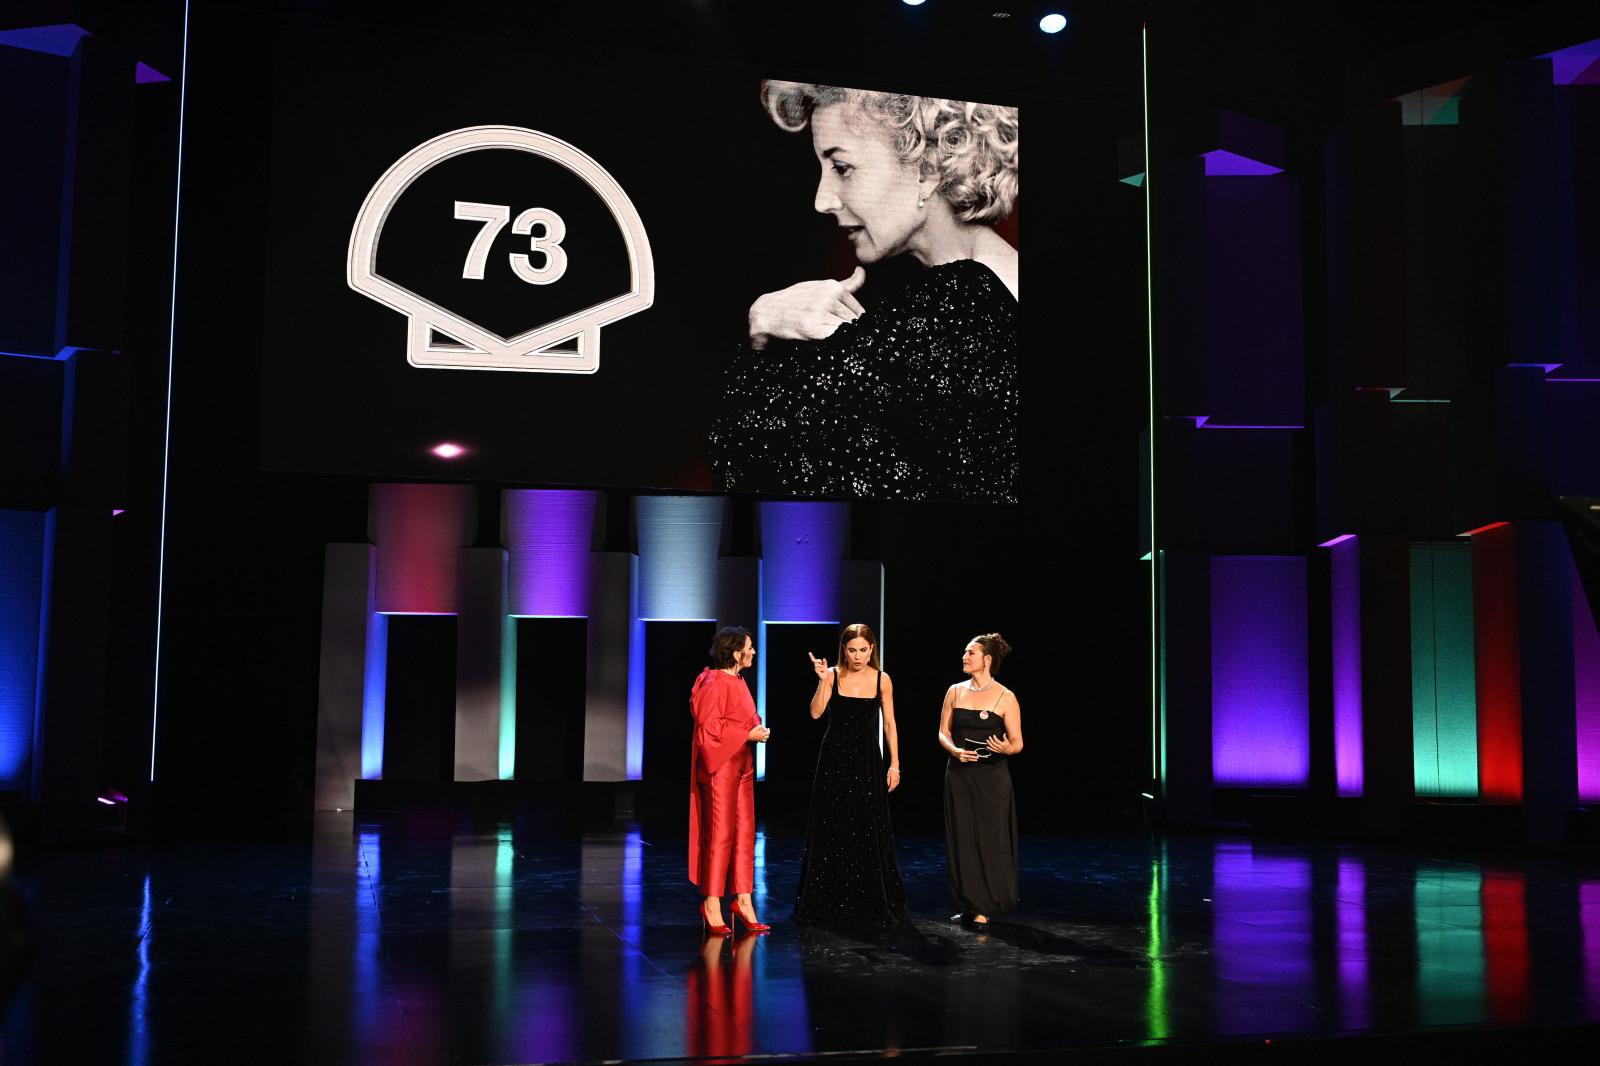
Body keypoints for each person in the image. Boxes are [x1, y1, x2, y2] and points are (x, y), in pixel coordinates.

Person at [709, 81, 1020, 503]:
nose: (822, 200)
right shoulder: (997, 284)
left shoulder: (958, 302)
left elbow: (746, 471)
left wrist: (761, 322)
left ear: (927, 168)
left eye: (842, 167)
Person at [792, 623, 907, 926]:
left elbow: (890, 724)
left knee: (867, 826)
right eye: (852, 650)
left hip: (867, 760)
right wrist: (821, 681)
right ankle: (829, 898)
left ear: (872, 649)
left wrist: (894, 764)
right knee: (833, 824)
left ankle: (869, 898)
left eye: (863, 650)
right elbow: (815, 713)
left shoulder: (883, 679)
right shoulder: (832, 675)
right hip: (834, 759)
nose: (858, 656)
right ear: (844, 650)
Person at [689, 626, 772, 936]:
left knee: (745, 834)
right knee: (721, 834)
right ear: (736, 653)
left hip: (743, 765)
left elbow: (744, 716)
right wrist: (745, 734)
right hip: (721, 766)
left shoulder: (737, 680)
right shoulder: (713, 682)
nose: (752, 652)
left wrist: (757, 729)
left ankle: (744, 899)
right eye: (749, 648)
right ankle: (712, 903)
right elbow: (707, 730)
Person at [937, 632, 1022, 925]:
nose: (964, 657)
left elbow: (1017, 742)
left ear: (986, 660)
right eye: (965, 652)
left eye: (970, 653)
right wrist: (955, 751)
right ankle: (969, 902)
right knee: (961, 837)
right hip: (959, 775)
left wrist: (1006, 748)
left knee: (988, 838)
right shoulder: (955, 691)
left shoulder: (1005, 696)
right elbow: (943, 732)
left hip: (992, 778)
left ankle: (986, 904)